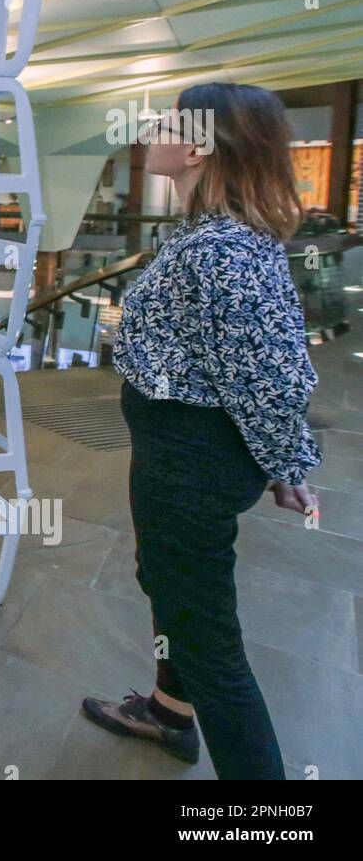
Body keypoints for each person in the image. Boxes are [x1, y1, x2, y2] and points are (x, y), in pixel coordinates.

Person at [82, 83, 320, 780]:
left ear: (198, 146)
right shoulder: (204, 236)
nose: (151, 127)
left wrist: (288, 464)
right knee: (165, 581)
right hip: (177, 454)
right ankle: (168, 711)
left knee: (208, 639)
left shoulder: (221, 250)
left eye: (168, 120)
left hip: (192, 461)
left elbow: (273, 377)